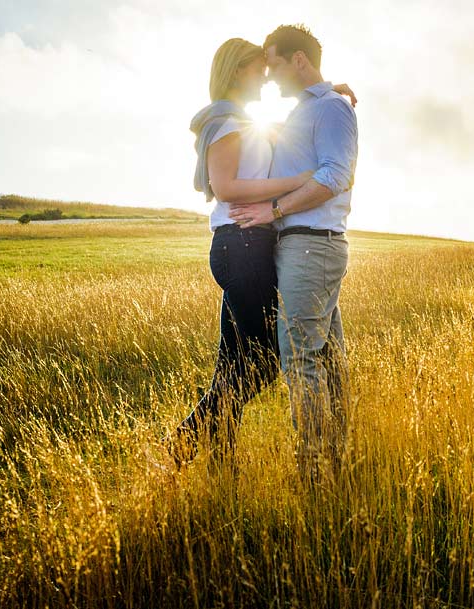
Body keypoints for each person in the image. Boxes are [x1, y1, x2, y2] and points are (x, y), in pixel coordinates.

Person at [164, 37, 355, 468]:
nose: (266, 77)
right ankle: (183, 443)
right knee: (266, 360)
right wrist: (296, 183)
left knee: (233, 363)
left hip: (251, 244)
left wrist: (326, 91)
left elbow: (291, 134)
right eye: (258, 69)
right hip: (243, 245)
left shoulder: (245, 121)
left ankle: (219, 460)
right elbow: (226, 187)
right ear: (236, 72)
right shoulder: (228, 123)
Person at [229, 25, 358, 481]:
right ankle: (338, 463)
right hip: (303, 246)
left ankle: (314, 475)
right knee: (328, 360)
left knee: (300, 358)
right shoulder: (316, 108)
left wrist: (274, 209)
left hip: (310, 244)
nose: (268, 77)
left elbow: (334, 175)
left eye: (275, 63)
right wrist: (326, 92)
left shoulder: (331, 110)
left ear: (298, 60)